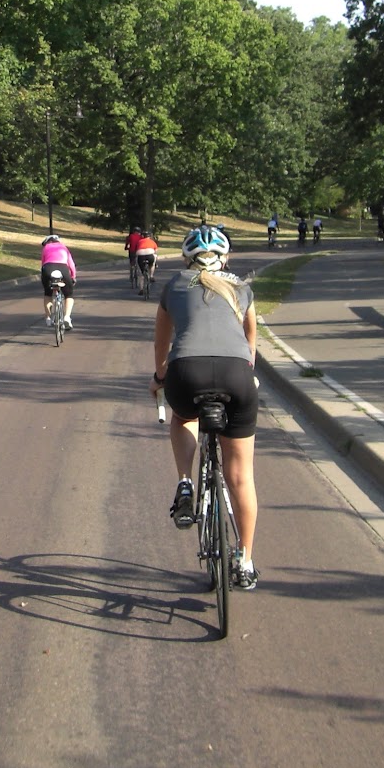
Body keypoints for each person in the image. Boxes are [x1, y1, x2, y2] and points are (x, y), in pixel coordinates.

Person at [149, 223, 261, 590]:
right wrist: (249, 378)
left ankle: (184, 482)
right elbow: (250, 346)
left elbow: (161, 345)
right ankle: (244, 560)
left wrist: (160, 379)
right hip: (236, 376)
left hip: (187, 372)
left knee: (183, 415)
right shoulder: (242, 288)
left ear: (186, 259)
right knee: (241, 477)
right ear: (225, 258)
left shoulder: (174, 285)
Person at [40, 234, 78, 329]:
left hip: (48, 268)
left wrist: (44, 278)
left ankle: (48, 318)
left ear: (48, 241)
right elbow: (71, 264)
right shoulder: (64, 247)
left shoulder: (46, 248)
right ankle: (67, 317)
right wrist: (73, 277)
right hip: (63, 268)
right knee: (69, 295)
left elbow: (43, 264)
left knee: (48, 294)